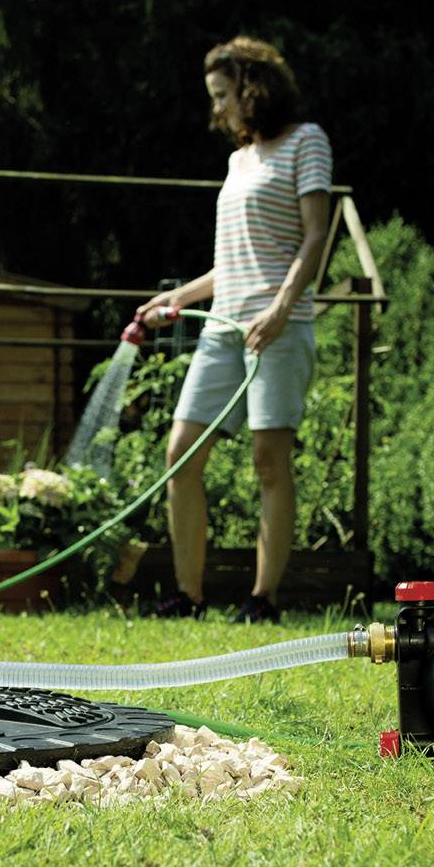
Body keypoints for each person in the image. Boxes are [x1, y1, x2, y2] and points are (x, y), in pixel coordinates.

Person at [134, 37, 332, 622]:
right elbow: (235, 260)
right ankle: (188, 596)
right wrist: (178, 296)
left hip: (278, 327)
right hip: (223, 328)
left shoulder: (306, 142)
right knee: (180, 457)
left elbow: (316, 235)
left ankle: (262, 598)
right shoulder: (237, 161)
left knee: (269, 462)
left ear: (253, 89)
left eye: (223, 95)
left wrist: (279, 310)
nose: (217, 109)